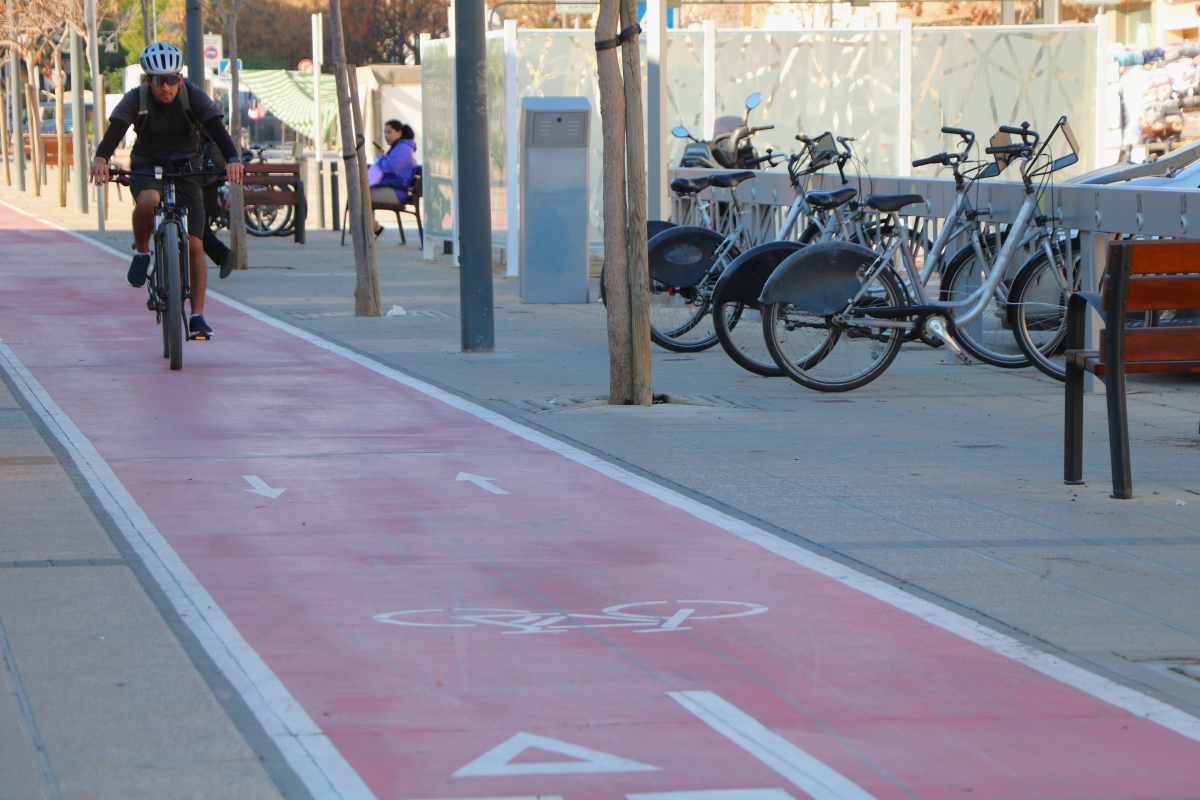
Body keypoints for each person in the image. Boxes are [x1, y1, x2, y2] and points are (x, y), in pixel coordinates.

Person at [90, 42, 243, 339]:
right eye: (159, 80)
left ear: (180, 78)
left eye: (172, 78)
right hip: (148, 163)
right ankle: (142, 253)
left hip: (188, 166)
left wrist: (233, 159)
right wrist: (100, 159)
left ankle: (197, 316)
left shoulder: (192, 95)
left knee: (196, 244)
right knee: (149, 200)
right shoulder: (136, 98)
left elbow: (216, 128)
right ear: (148, 80)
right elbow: (116, 129)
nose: (166, 86)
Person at [368, 120, 417, 207]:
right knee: (358, 192)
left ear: (399, 133)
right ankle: (369, 217)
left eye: (389, 132)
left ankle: (367, 217)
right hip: (392, 188)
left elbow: (390, 167)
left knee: (359, 196)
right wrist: (383, 157)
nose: (386, 136)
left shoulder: (403, 148)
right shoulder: (400, 147)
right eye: (385, 132)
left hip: (396, 191)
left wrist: (381, 158)